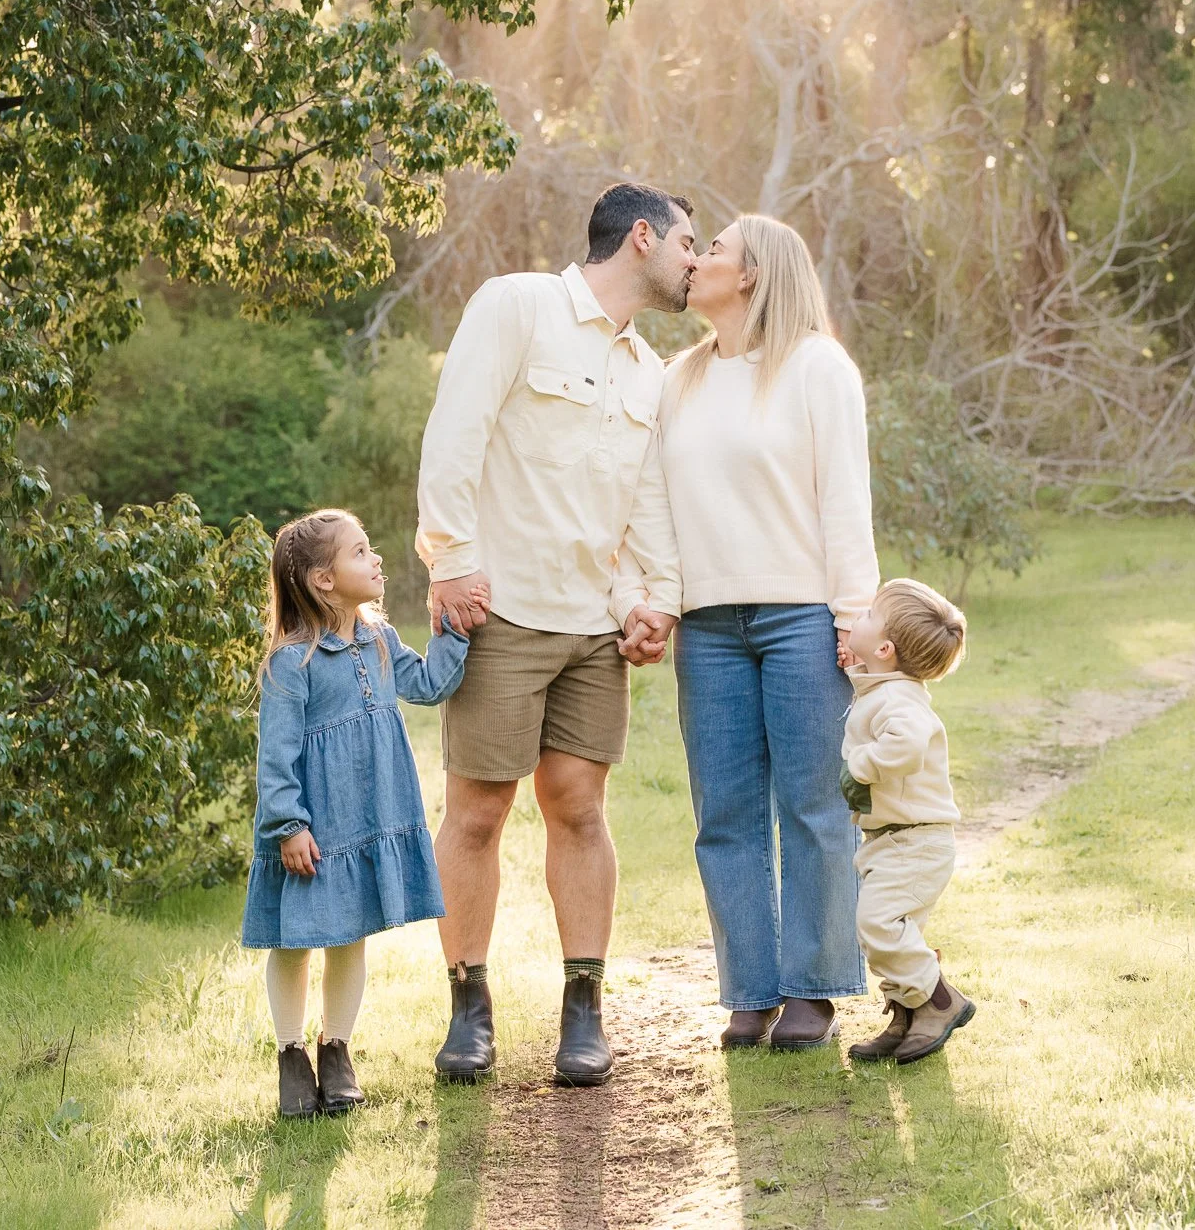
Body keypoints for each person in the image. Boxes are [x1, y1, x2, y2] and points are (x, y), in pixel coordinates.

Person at [414, 182, 688, 1086]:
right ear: (640, 236)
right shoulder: (519, 304)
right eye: (689, 242)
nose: (697, 260)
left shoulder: (649, 369)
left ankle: (583, 1009)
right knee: (479, 811)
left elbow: (643, 500)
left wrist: (650, 601)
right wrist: (449, 557)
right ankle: (469, 1004)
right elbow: (456, 434)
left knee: (578, 806)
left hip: (592, 628)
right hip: (502, 608)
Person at [655, 214, 880, 1051]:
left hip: (801, 616)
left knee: (815, 803)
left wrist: (855, 622)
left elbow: (845, 503)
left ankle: (815, 987)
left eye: (713, 248)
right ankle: (750, 988)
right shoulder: (677, 378)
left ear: (751, 275)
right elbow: (654, 507)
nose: (698, 258)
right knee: (725, 810)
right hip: (707, 623)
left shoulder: (818, 367)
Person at [241, 510, 471, 1118]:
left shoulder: (379, 639)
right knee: (295, 941)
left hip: (365, 818)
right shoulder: (293, 662)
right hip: (315, 829)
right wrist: (288, 826)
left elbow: (425, 685)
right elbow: (277, 756)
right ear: (323, 579)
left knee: (351, 934)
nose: (377, 561)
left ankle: (336, 1048)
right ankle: (292, 1054)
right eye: (361, 552)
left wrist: (454, 631)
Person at [838, 578, 978, 1065]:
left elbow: (909, 740)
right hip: (894, 840)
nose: (859, 614)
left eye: (870, 613)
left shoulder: (899, 701)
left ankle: (942, 1002)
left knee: (878, 923)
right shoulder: (886, 687)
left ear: (884, 647)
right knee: (897, 934)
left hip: (913, 842)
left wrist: (861, 766)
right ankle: (906, 1018)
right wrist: (857, 666)